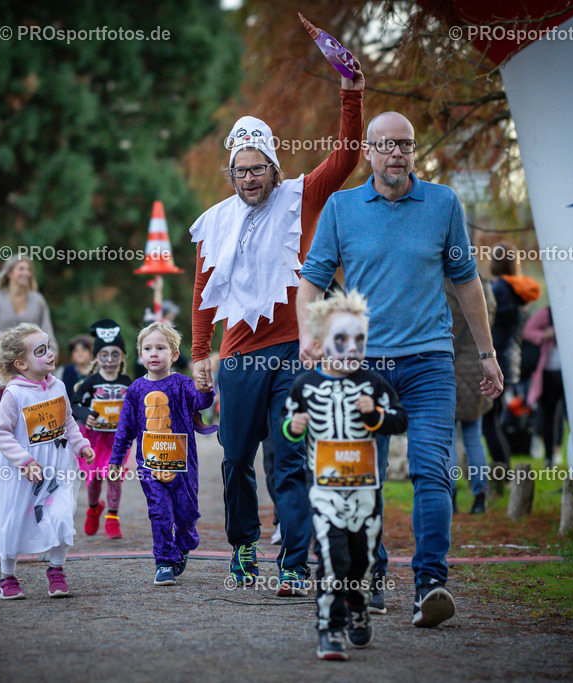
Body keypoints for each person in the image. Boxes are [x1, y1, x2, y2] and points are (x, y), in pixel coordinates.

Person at [297, 111, 502, 627]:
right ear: (368, 152)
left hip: (430, 363)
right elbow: (312, 279)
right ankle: (371, 577)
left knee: (433, 470)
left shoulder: (442, 203)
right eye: (385, 145)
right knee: (361, 480)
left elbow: (466, 282)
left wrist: (487, 354)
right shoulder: (342, 208)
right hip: (362, 369)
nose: (396, 153)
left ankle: (430, 584)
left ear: (414, 151)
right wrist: (310, 335)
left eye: (405, 145)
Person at [190, 56, 365, 594]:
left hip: (293, 349)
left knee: (288, 458)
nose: (249, 179)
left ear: (273, 166)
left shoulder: (303, 196)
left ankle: (293, 561)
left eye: (257, 168)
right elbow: (201, 289)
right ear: (232, 173)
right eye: (240, 171)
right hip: (240, 356)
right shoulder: (216, 221)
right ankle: (243, 550)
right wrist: (200, 352)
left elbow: (346, 156)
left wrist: (350, 90)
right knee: (236, 456)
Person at [283, 290, 408, 661]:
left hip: (365, 494)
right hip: (325, 492)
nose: (352, 348)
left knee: (362, 561)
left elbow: (399, 420)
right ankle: (330, 628)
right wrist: (296, 425)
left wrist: (376, 416)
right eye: (341, 340)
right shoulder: (304, 385)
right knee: (330, 558)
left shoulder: (373, 384)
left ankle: (358, 606)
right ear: (320, 344)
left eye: (360, 340)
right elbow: (288, 427)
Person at [0, 323, 94, 599]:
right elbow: (1, 434)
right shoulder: (14, 393)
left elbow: (67, 421)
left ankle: (56, 571)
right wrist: (24, 461)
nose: (50, 354)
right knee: (14, 522)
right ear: (21, 363)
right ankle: (7, 578)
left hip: (58, 467)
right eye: (41, 351)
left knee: (61, 516)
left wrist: (80, 444)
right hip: (21, 473)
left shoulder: (58, 386)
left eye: (49, 348)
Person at [110, 322, 215, 586]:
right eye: (147, 348)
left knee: (186, 514)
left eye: (160, 347)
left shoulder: (182, 384)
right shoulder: (135, 390)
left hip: (183, 467)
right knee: (159, 512)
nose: (153, 353)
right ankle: (164, 562)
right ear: (141, 355)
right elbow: (125, 429)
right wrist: (115, 460)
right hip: (150, 467)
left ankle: (186, 540)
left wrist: (205, 387)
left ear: (175, 355)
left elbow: (201, 402)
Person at [0, 256, 56, 432]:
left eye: (28, 270)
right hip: (4, 363)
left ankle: (32, 449)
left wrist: (51, 353)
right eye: (21, 269)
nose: (26, 273)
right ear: (10, 273)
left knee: (33, 407)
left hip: (33, 363)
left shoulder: (37, 300)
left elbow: (47, 331)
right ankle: (7, 449)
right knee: (8, 405)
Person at [480, 244, 541, 466]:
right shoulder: (521, 291)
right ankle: (502, 468)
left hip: (494, 361)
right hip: (512, 360)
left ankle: (501, 470)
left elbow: (487, 325)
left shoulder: (497, 290)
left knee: (489, 422)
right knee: (495, 419)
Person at [72, 319, 132, 540]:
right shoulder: (90, 382)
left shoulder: (127, 383)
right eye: (104, 355)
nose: (109, 360)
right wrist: (85, 415)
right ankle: (93, 508)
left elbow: (136, 407)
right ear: (96, 357)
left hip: (118, 440)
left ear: (122, 357)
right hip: (94, 439)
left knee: (114, 476)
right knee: (95, 478)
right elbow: (75, 404)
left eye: (115, 355)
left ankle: (112, 518)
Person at [445, 278, 496, 514]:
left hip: (449, 366)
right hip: (477, 367)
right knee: (474, 436)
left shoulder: (441, 287)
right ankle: (479, 496)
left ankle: (451, 495)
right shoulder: (482, 286)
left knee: (449, 440)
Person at [522, 306, 564, 467]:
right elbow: (528, 330)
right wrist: (545, 334)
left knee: (568, 417)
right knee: (549, 415)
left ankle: (568, 453)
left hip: (570, 373)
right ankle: (550, 456)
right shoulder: (547, 313)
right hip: (548, 371)